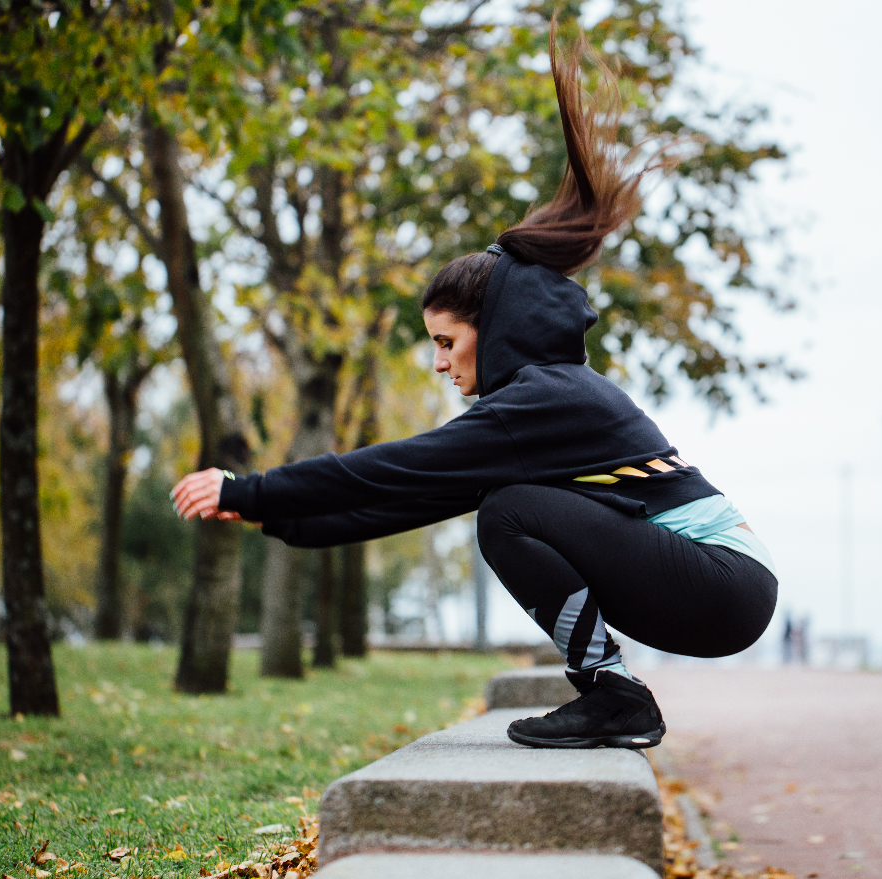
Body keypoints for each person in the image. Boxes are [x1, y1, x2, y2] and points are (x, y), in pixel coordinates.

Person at [171, 21, 778, 750]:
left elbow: (393, 464)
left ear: (493, 327)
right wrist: (289, 522)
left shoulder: (544, 402)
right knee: (499, 503)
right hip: (721, 587)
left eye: (446, 341)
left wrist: (251, 489)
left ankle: (613, 695)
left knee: (507, 511)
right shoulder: (545, 402)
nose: (439, 363)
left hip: (723, 581)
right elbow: (423, 493)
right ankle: (613, 692)